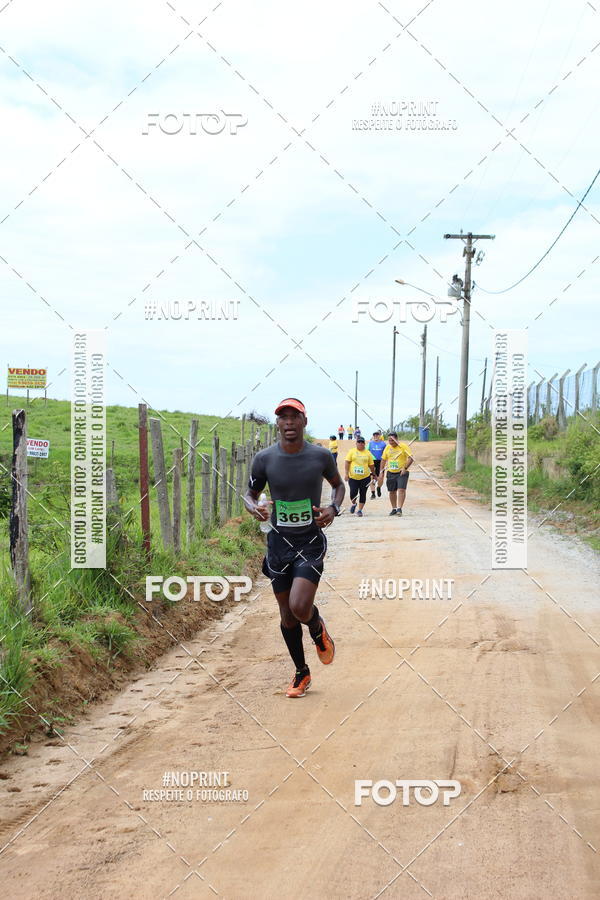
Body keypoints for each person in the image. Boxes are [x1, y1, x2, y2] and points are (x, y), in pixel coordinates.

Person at [244, 398, 345, 699]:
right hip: (278, 543)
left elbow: (339, 486)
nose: (288, 422)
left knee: (300, 607)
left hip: (309, 541)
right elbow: (250, 494)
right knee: (287, 615)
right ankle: (301, 673)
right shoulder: (264, 459)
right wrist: (254, 508)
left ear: (304, 421)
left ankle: (317, 628)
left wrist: (333, 508)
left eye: (294, 417)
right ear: (277, 424)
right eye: (283, 417)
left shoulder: (321, 456)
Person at [380, 432, 414, 516]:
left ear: (396, 439)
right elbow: (383, 460)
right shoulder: (387, 447)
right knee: (392, 491)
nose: (391, 442)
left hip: (401, 472)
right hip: (391, 472)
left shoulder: (403, 446)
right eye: (389, 440)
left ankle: (399, 508)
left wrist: (405, 468)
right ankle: (394, 508)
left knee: (401, 490)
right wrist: (381, 471)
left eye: (392, 440)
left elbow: (411, 458)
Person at [344, 435, 375, 517]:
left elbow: (371, 465)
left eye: (362, 442)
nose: (360, 444)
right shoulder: (352, 451)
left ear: (364, 444)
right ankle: (354, 504)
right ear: (356, 443)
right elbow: (347, 462)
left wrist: (374, 474)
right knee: (353, 493)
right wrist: (346, 474)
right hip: (353, 477)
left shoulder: (368, 453)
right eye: (359, 442)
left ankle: (360, 510)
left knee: (363, 493)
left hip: (365, 477)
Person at [368, 430, 387, 499]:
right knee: (371, 478)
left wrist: (387, 461)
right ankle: (373, 493)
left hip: (381, 462)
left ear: (380, 436)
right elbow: (366, 452)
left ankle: (379, 487)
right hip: (371, 462)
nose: (376, 436)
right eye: (374, 435)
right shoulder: (370, 443)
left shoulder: (383, 444)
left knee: (380, 478)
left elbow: (386, 453)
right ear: (373, 436)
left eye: (377, 435)